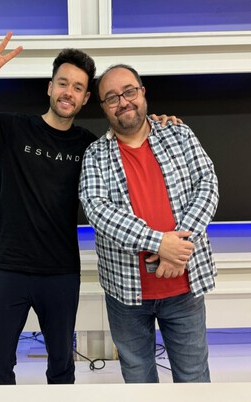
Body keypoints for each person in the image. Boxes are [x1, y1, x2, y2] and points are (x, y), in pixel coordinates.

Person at [0, 33, 177, 385]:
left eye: (78, 87)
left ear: (86, 98)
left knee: (62, 368)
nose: (68, 92)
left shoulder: (91, 147)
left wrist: (161, 124)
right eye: (62, 83)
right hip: (7, 268)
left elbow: (134, 140)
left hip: (60, 272)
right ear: (50, 87)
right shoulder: (13, 128)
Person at [79, 64, 219, 384]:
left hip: (184, 286)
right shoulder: (95, 155)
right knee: (138, 379)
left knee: (194, 377)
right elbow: (98, 211)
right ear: (103, 107)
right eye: (112, 97)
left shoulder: (179, 134)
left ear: (142, 93)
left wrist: (177, 247)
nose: (123, 102)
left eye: (129, 91)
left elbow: (207, 185)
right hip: (126, 292)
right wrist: (159, 243)